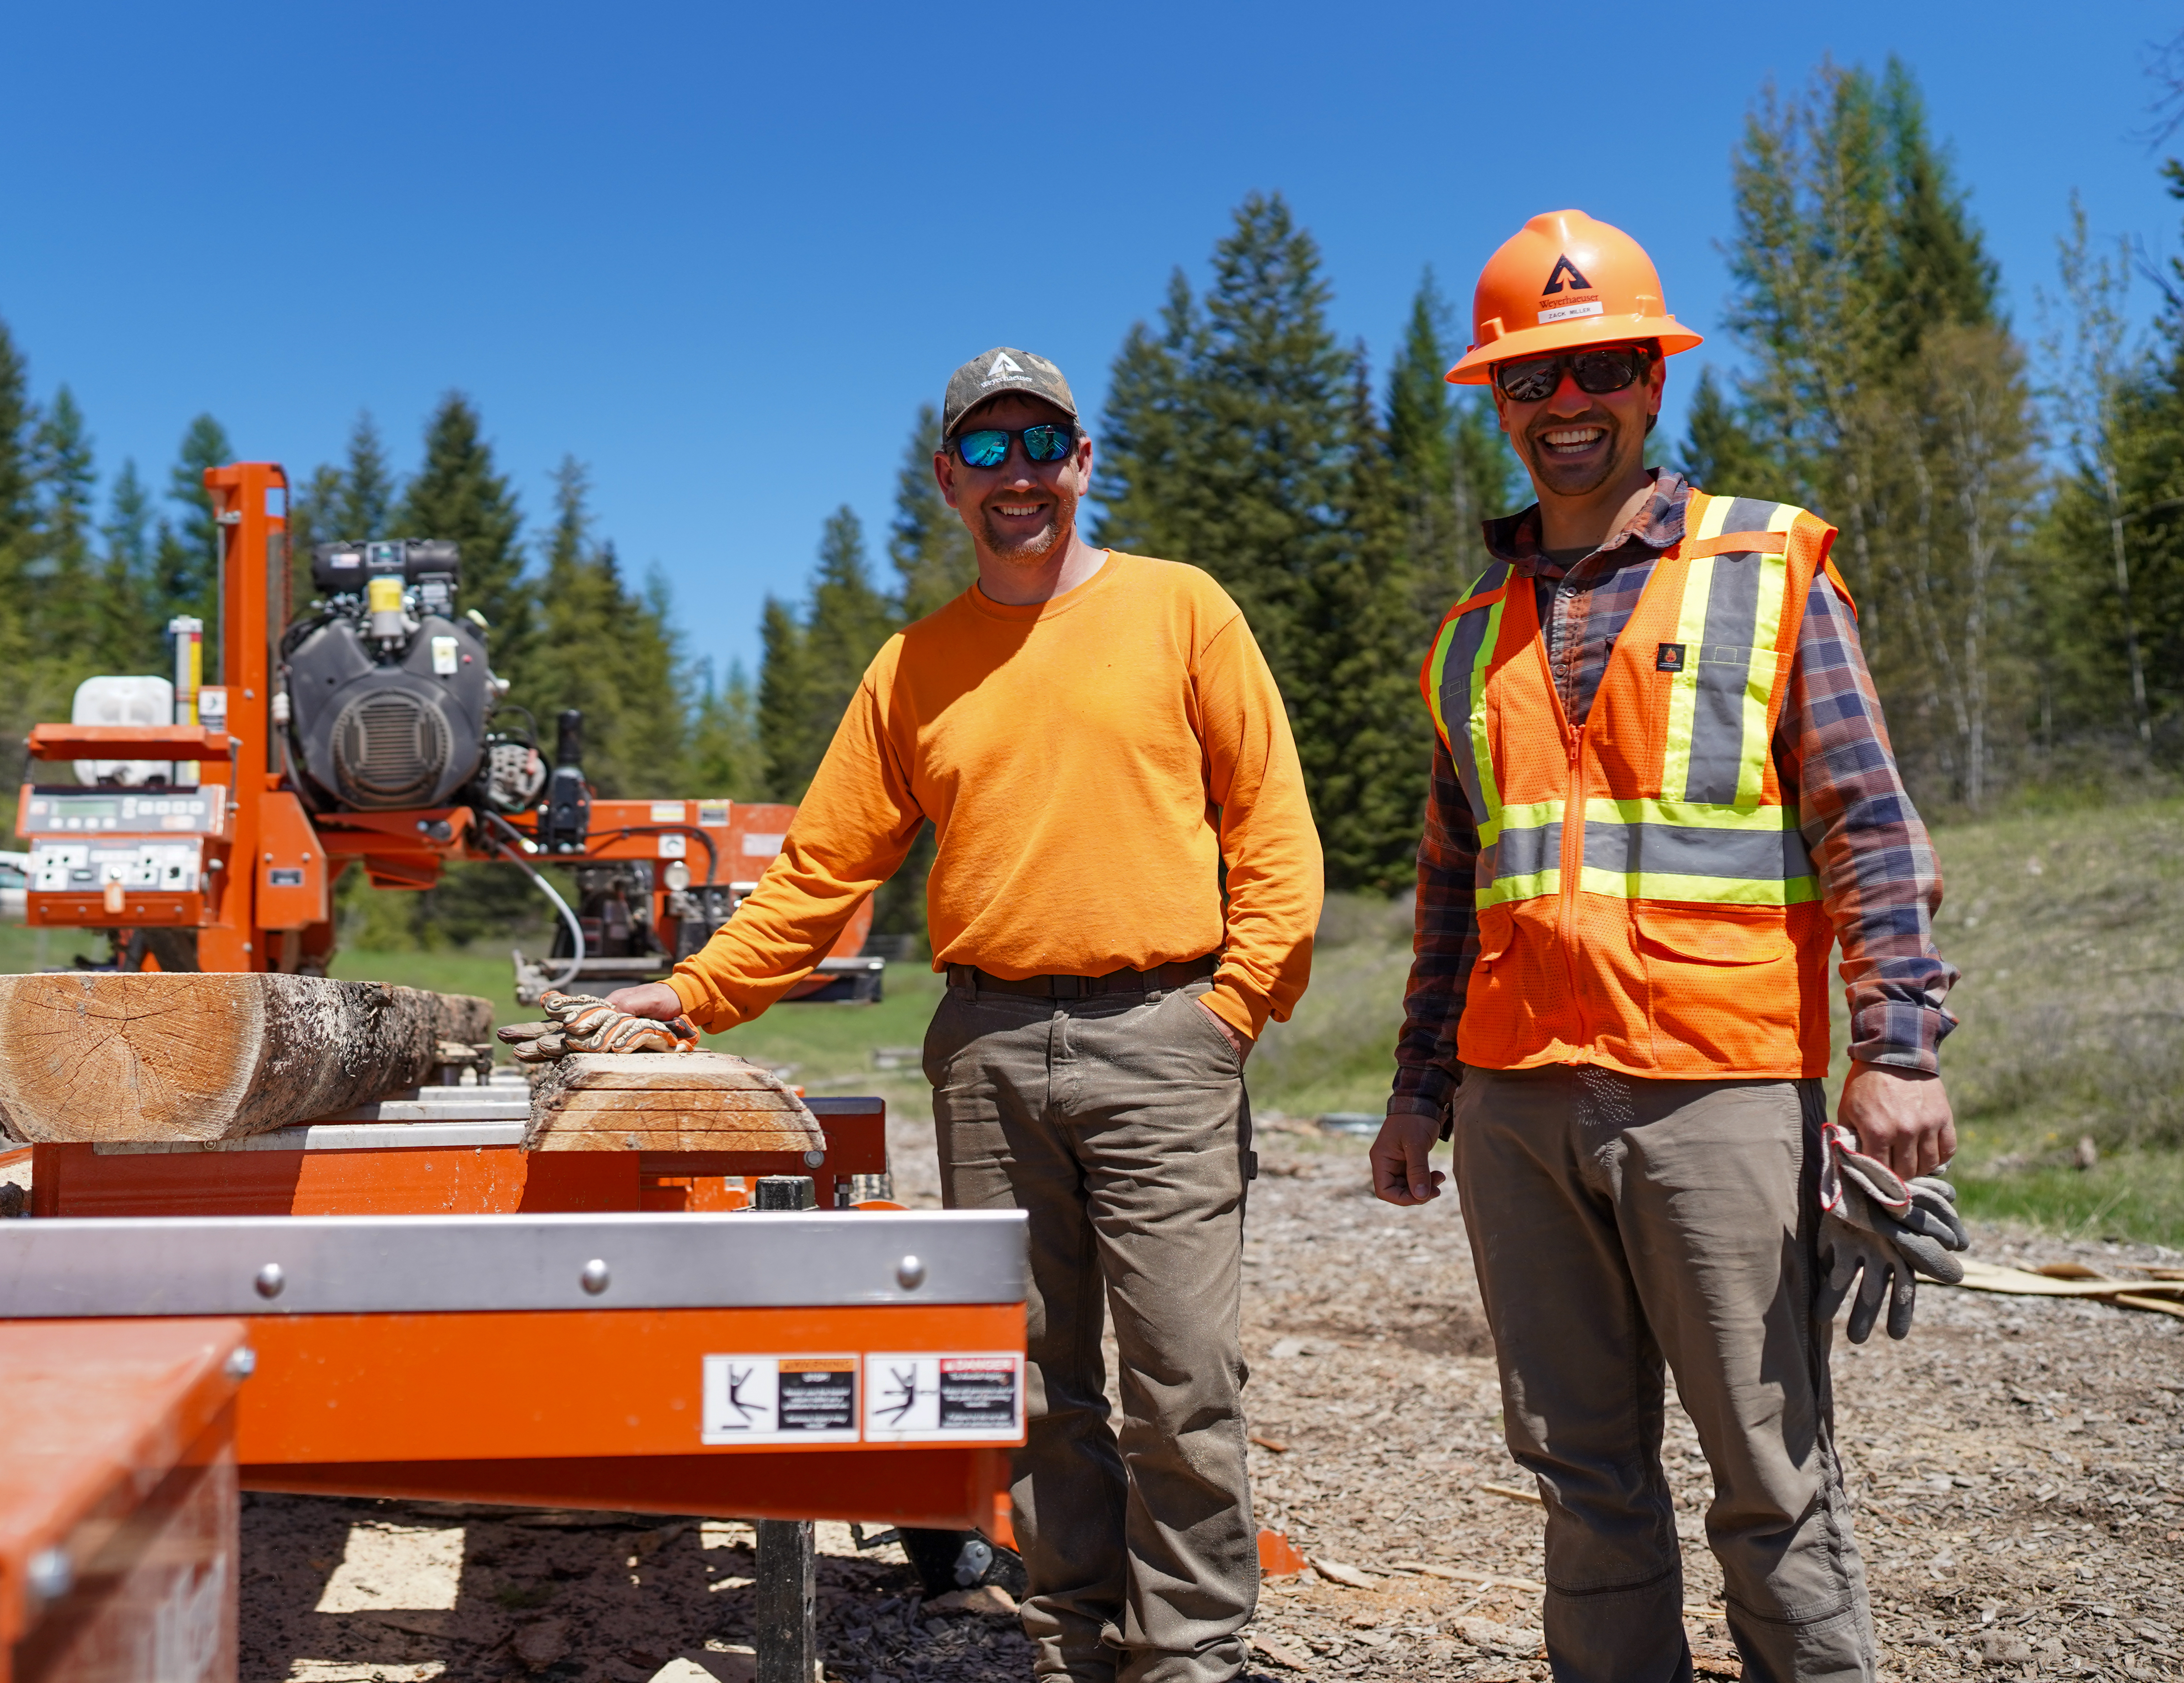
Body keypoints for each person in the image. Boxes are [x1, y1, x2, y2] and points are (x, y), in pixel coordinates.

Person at [608, 346, 1322, 1683]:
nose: (1018, 476)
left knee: (1184, 1379)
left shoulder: (1184, 610)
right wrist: (694, 991)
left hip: (1165, 1028)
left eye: (1039, 445)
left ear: (1083, 459)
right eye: (985, 453)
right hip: (988, 1048)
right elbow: (824, 872)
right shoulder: (914, 666)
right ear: (947, 479)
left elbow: (1273, 828)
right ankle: (1073, 1643)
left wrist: (1233, 1009)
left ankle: (1194, 1658)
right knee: (1044, 1384)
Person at [1369, 210, 1964, 1683]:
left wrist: (1897, 1050)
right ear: (1494, 401)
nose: (1568, 407)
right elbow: (1456, 891)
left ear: (1655, 381)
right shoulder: (1467, 638)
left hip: (1720, 1087)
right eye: (1532, 380)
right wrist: (1417, 1091)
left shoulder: (1765, 572)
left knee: (1771, 1479)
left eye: (1603, 369)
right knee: (1584, 1482)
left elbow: (1870, 829)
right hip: (1515, 1105)